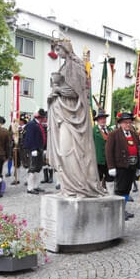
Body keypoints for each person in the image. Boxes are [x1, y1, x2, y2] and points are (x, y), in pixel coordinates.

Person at [47, 40, 104, 197]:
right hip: (63, 113)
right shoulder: (64, 66)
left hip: (74, 114)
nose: (57, 53)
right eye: (55, 50)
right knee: (64, 151)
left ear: (66, 48)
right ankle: (69, 187)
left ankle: (79, 186)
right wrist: (54, 94)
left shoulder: (76, 65)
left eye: (59, 49)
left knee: (70, 151)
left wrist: (58, 89)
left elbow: (75, 91)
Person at [106, 112, 140, 220]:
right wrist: (111, 167)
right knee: (120, 190)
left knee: (127, 189)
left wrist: (139, 167)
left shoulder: (134, 134)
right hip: (121, 166)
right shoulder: (114, 134)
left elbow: (138, 151)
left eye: (129, 122)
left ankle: (123, 209)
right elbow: (108, 151)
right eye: (125, 123)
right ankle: (117, 212)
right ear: (120, 123)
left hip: (132, 166)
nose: (128, 125)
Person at [24, 109, 47, 194]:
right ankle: (30, 188)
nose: (45, 119)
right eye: (44, 117)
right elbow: (29, 138)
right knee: (32, 168)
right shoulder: (31, 124)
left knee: (38, 168)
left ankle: (35, 186)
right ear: (41, 117)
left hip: (40, 148)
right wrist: (33, 149)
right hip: (34, 149)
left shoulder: (38, 124)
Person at [93, 109, 111, 189]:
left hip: (109, 160)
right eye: (101, 118)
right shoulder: (93, 131)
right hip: (98, 159)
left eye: (104, 118)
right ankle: (98, 194)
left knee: (110, 179)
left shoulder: (110, 130)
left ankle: (111, 195)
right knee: (98, 179)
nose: (103, 120)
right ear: (97, 120)